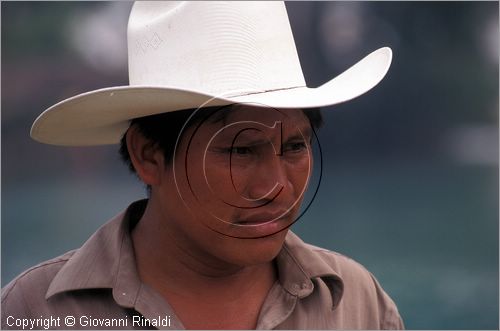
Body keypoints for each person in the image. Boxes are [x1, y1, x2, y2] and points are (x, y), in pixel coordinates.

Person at [2, 2, 403, 330]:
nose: (276, 185)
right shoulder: (35, 313)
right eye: (240, 152)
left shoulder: (357, 307)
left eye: (295, 146)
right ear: (149, 155)